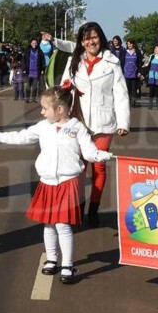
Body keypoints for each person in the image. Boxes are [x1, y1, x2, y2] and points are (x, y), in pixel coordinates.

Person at [0, 84, 112, 284]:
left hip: (67, 181)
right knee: (49, 225)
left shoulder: (77, 127)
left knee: (63, 226)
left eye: (45, 108)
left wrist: (101, 155)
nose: (42, 112)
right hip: (47, 182)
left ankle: (67, 265)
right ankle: (52, 259)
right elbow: (21, 137)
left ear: (60, 110)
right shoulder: (42, 127)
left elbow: (88, 152)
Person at [45, 24, 130, 227]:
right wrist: (57, 104)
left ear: (101, 38)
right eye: (86, 39)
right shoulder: (74, 61)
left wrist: (123, 122)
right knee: (79, 168)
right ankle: (78, 207)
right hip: (79, 122)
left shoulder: (112, 62)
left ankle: (94, 208)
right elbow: (64, 86)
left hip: (103, 123)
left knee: (99, 167)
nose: (91, 42)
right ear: (82, 42)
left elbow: (120, 93)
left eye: (94, 37)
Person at [23, 37, 46, 103]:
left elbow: (43, 61)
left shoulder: (39, 51)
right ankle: (27, 98)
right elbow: (23, 60)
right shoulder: (27, 51)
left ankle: (33, 98)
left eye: (35, 43)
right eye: (33, 43)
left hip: (36, 71)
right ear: (30, 43)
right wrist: (24, 69)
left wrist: (42, 69)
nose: (34, 44)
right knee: (28, 86)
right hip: (29, 71)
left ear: (37, 44)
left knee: (35, 86)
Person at [123, 39, 143, 107]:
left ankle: (133, 101)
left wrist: (140, 72)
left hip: (134, 73)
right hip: (126, 73)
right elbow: (122, 62)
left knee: (134, 88)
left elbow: (140, 63)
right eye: (128, 44)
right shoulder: (125, 52)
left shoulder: (137, 52)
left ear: (133, 44)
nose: (129, 45)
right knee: (127, 88)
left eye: (130, 44)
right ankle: (127, 101)